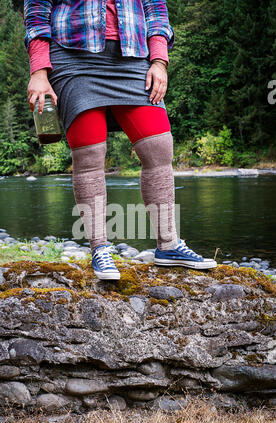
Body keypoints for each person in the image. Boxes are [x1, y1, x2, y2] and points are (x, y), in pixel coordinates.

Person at [24, 0, 217, 280]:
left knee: (158, 146)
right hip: (73, 57)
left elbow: (156, 9)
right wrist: (39, 71)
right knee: (89, 154)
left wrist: (159, 61)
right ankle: (100, 248)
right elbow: (37, 11)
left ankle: (169, 245)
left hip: (134, 56)